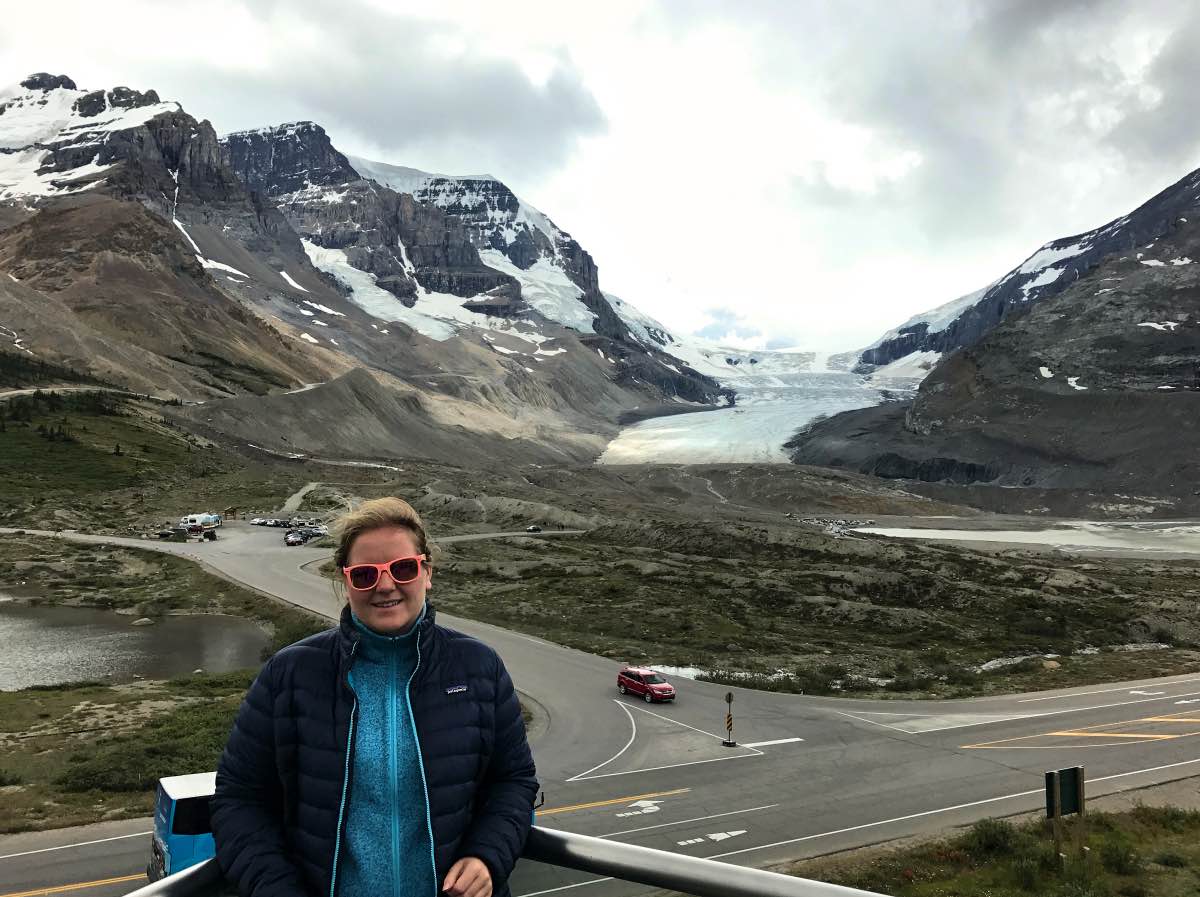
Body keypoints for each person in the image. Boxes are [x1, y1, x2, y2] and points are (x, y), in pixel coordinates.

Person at [211, 497, 538, 897]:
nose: (385, 586)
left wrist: (488, 855)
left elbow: (513, 780)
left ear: (427, 571)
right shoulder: (291, 673)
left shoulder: (478, 666)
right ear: (346, 581)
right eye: (365, 574)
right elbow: (239, 797)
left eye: (402, 568)